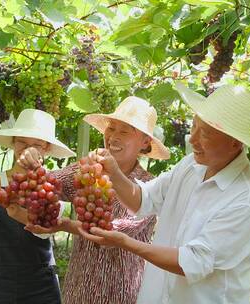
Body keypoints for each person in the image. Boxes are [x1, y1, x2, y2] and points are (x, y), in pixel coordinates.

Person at [77, 83, 250, 303]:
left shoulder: (245, 200)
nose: (192, 139)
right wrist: (112, 171)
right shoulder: (191, 165)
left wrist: (126, 243)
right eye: (194, 126)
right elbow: (143, 199)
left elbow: (193, 261)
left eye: (205, 134)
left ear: (235, 142)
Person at [24, 96, 170, 304]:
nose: (113, 136)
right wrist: (33, 160)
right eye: (111, 128)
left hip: (122, 293)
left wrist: (63, 224)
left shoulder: (148, 187)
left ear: (145, 142)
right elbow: (47, 184)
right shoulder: (86, 170)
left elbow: (113, 231)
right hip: (79, 289)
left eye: (125, 131)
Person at [0, 109, 75, 304]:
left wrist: (18, 210)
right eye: (22, 142)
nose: (27, 149)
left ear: (46, 148)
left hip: (41, 282)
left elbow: (45, 230)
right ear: (13, 142)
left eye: (36, 145)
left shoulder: (50, 184)